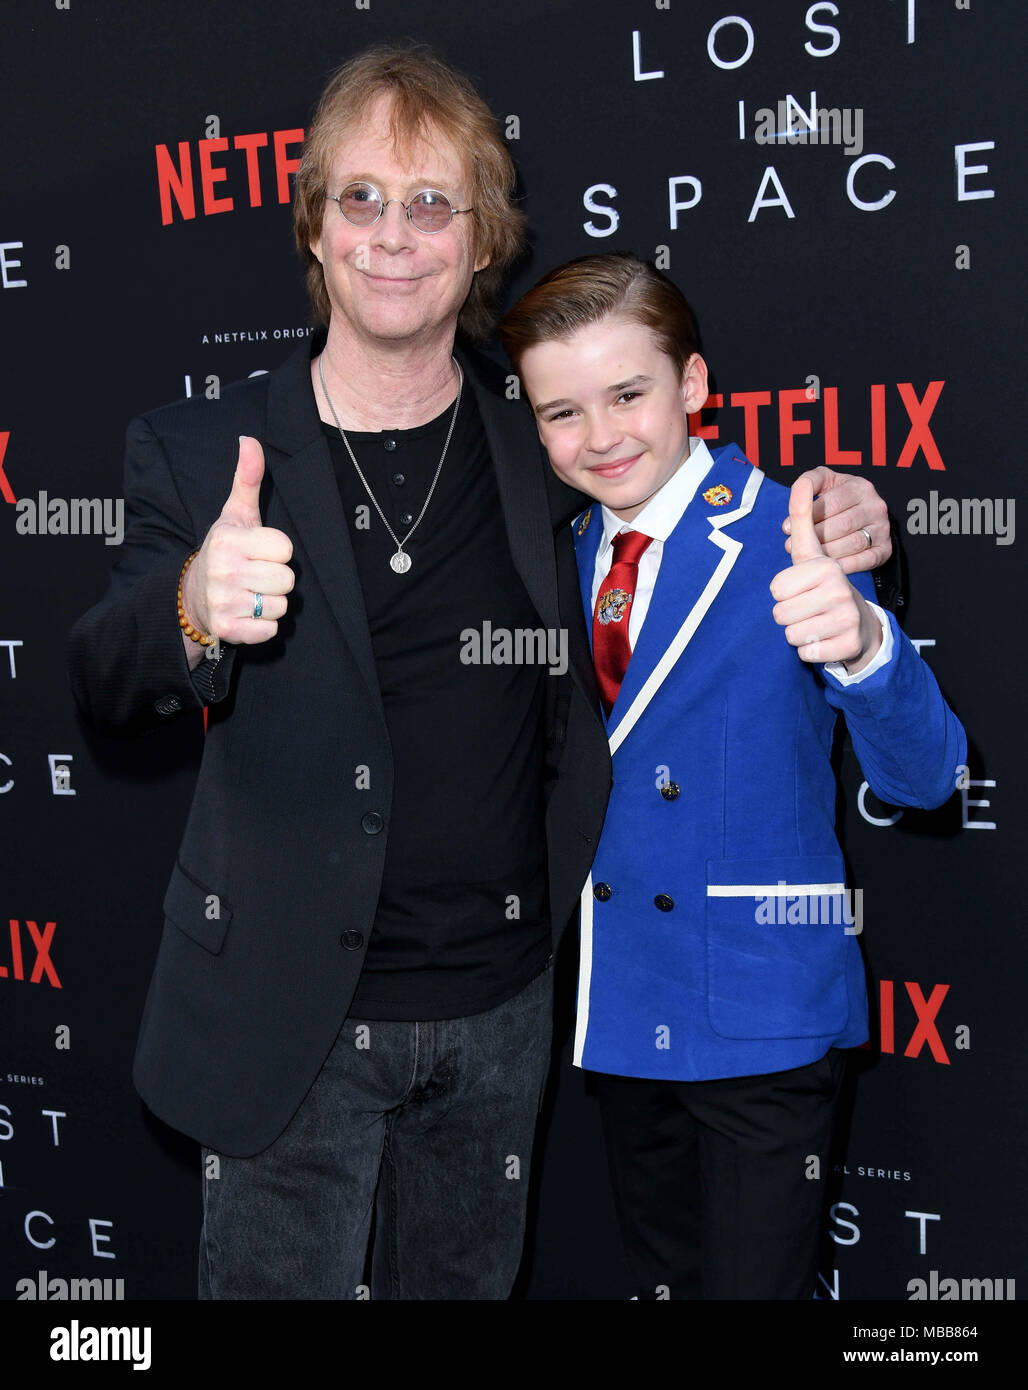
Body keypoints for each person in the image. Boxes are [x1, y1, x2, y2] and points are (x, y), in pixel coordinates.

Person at [67, 46, 894, 1300]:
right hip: (288, 1020)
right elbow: (101, 678)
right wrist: (190, 606)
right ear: (313, 223)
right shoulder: (197, 451)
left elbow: (693, 502)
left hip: (502, 1011)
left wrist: (841, 511)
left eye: (431, 202)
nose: (394, 235)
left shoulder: (546, 436)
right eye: (361, 198)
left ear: (479, 235)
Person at [500, 252, 966, 1300]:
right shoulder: (547, 555)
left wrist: (860, 647)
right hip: (617, 1006)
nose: (600, 436)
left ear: (695, 386)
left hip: (760, 1010)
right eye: (560, 411)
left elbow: (929, 776)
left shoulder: (792, 533)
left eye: (628, 394)